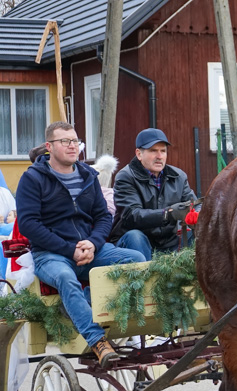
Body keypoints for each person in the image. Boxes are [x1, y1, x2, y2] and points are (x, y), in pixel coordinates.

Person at [16, 121, 147, 367]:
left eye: (75, 141)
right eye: (64, 141)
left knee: (136, 261)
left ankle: (84, 300)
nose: (72, 146)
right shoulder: (33, 179)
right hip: (51, 255)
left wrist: (94, 243)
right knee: (65, 278)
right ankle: (98, 341)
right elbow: (29, 225)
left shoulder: (88, 176)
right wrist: (69, 249)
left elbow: (103, 217)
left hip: (91, 249)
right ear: (49, 147)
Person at [112, 128, 196, 261]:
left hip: (169, 242)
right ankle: (143, 280)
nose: (159, 156)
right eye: (153, 150)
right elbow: (131, 216)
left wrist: (197, 214)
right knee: (135, 236)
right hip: (135, 243)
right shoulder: (126, 177)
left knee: (202, 234)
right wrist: (167, 214)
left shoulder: (179, 176)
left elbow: (194, 205)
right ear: (139, 154)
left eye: (163, 151)